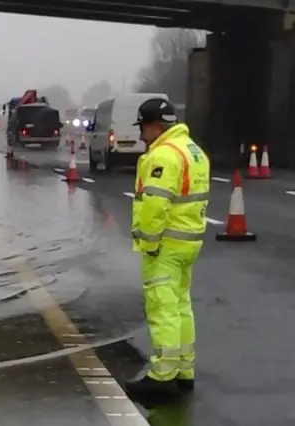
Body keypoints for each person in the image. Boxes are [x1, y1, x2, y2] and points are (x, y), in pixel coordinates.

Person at [125, 97, 210, 399]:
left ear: (155, 126)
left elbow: (155, 205)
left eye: (142, 128)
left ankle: (162, 376)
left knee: (162, 309)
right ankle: (185, 370)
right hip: (189, 242)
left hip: (165, 246)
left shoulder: (163, 155)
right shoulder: (194, 151)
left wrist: (148, 243)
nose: (140, 135)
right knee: (181, 306)